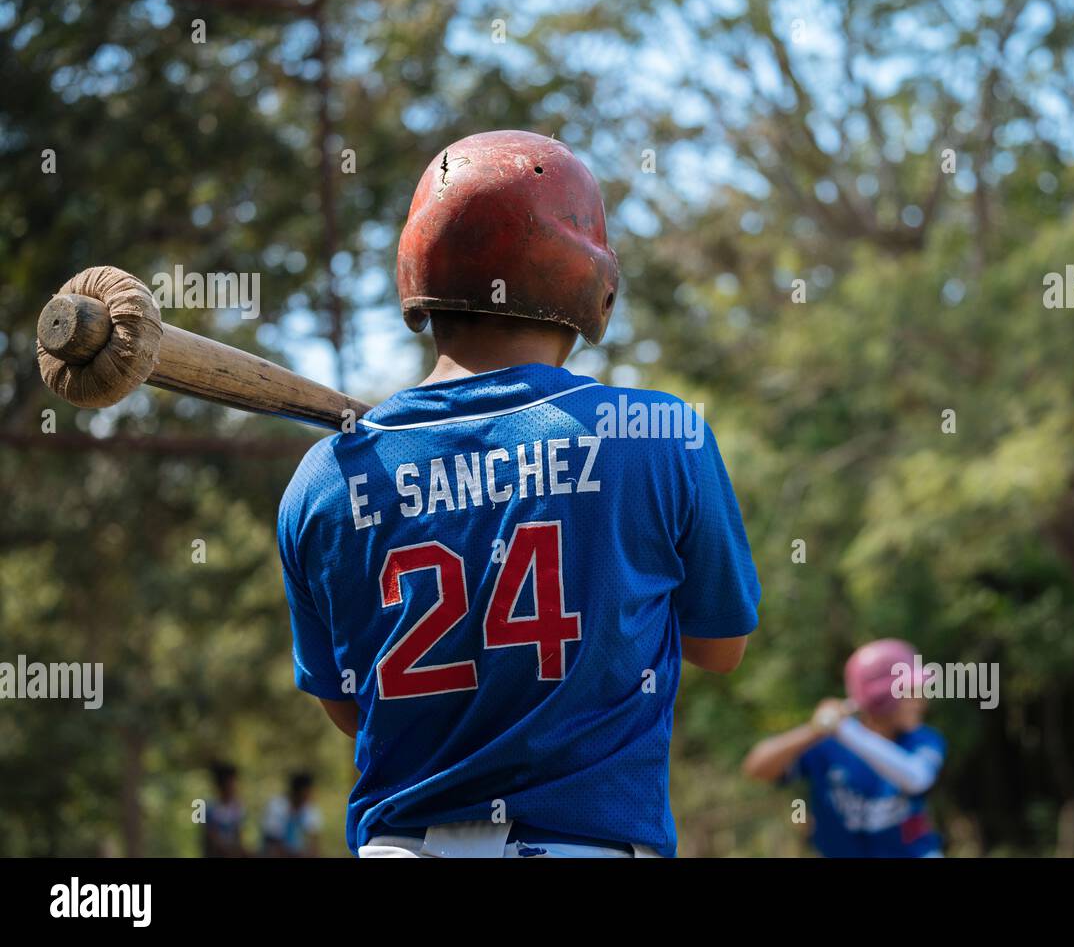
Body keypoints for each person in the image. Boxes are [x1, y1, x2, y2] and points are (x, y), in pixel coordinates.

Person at [277, 130, 760, 858]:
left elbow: (351, 709)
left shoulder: (325, 479)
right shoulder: (660, 434)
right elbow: (721, 647)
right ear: (588, 278)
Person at [743, 639, 944, 857]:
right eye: (911, 692)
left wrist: (844, 730)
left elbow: (916, 778)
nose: (921, 702)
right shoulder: (827, 744)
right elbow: (756, 767)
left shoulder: (923, 739)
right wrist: (815, 729)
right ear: (882, 697)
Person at [260, 772, 322, 858]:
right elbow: (272, 842)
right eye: (308, 791)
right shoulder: (277, 806)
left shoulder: (310, 809)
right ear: (299, 791)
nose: (311, 795)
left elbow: (314, 841)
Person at [202, 761, 247, 858]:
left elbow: (238, 836)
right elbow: (212, 840)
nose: (235, 786)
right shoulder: (207, 808)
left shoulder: (237, 807)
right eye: (231, 782)